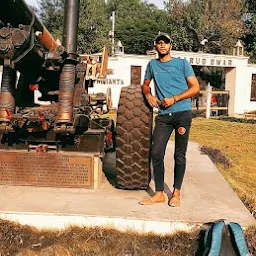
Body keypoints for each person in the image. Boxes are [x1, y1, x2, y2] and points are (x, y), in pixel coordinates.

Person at [139, 33, 200, 207]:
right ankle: (159, 193)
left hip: (182, 113)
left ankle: (176, 193)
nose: (162, 45)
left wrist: (174, 98)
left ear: (170, 46)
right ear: (156, 47)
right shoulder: (152, 65)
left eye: (165, 42)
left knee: (179, 154)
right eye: (159, 43)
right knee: (156, 152)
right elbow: (145, 84)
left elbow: (195, 87)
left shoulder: (182, 64)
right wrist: (148, 94)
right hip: (164, 116)